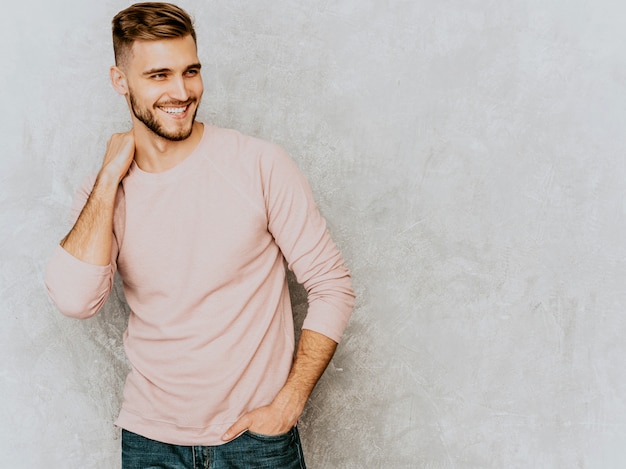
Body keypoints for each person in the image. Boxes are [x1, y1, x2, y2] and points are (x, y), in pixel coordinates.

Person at [44, 2, 355, 468]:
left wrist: (287, 405)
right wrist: (110, 176)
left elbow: (333, 286)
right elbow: (74, 300)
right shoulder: (102, 193)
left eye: (191, 71)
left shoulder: (259, 164)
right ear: (120, 81)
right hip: (150, 443)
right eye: (159, 75)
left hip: (256, 443)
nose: (182, 91)